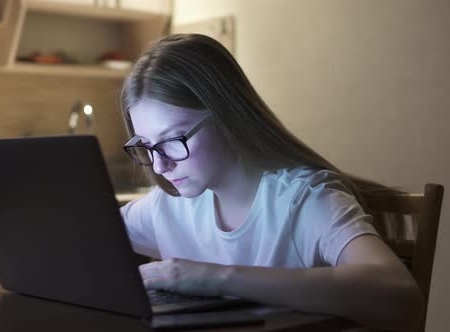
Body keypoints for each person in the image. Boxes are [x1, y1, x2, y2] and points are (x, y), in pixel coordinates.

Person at [118, 34, 423, 331]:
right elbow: (83, 236)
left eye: (174, 139)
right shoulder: (168, 203)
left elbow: (401, 296)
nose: (160, 164)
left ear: (227, 115)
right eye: (146, 145)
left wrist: (215, 277)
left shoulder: (304, 199)